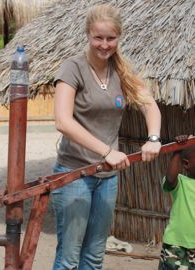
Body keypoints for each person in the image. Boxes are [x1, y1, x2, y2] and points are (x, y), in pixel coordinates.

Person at [52, 4, 162, 270]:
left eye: (110, 38)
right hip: (75, 173)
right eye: (98, 37)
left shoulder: (122, 70)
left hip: (107, 178)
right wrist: (106, 151)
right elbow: (63, 122)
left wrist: (154, 138)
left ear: (118, 37)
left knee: (94, 256)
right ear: (88, 35)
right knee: (68, 259)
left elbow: (149, 105)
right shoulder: (72, 69)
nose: (104, 44)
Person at [158, 135, 195, 270]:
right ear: (186, 164)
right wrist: (177, 150)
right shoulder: (180, 182)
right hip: (175, 246)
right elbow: (170, 180)